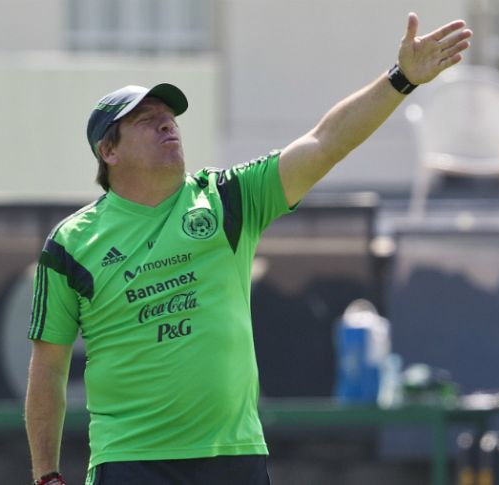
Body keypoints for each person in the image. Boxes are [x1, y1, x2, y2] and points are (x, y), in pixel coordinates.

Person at [25, 12, 471, 485]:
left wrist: (401, 79)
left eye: (170, 118)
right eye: (147, 120)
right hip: (131, 462)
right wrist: (46, 476)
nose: (168, 126)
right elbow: (49, 368)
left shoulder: (227, 198)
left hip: (234, 457)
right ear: (109, 152)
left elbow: (324, 143)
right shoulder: (72, 243)